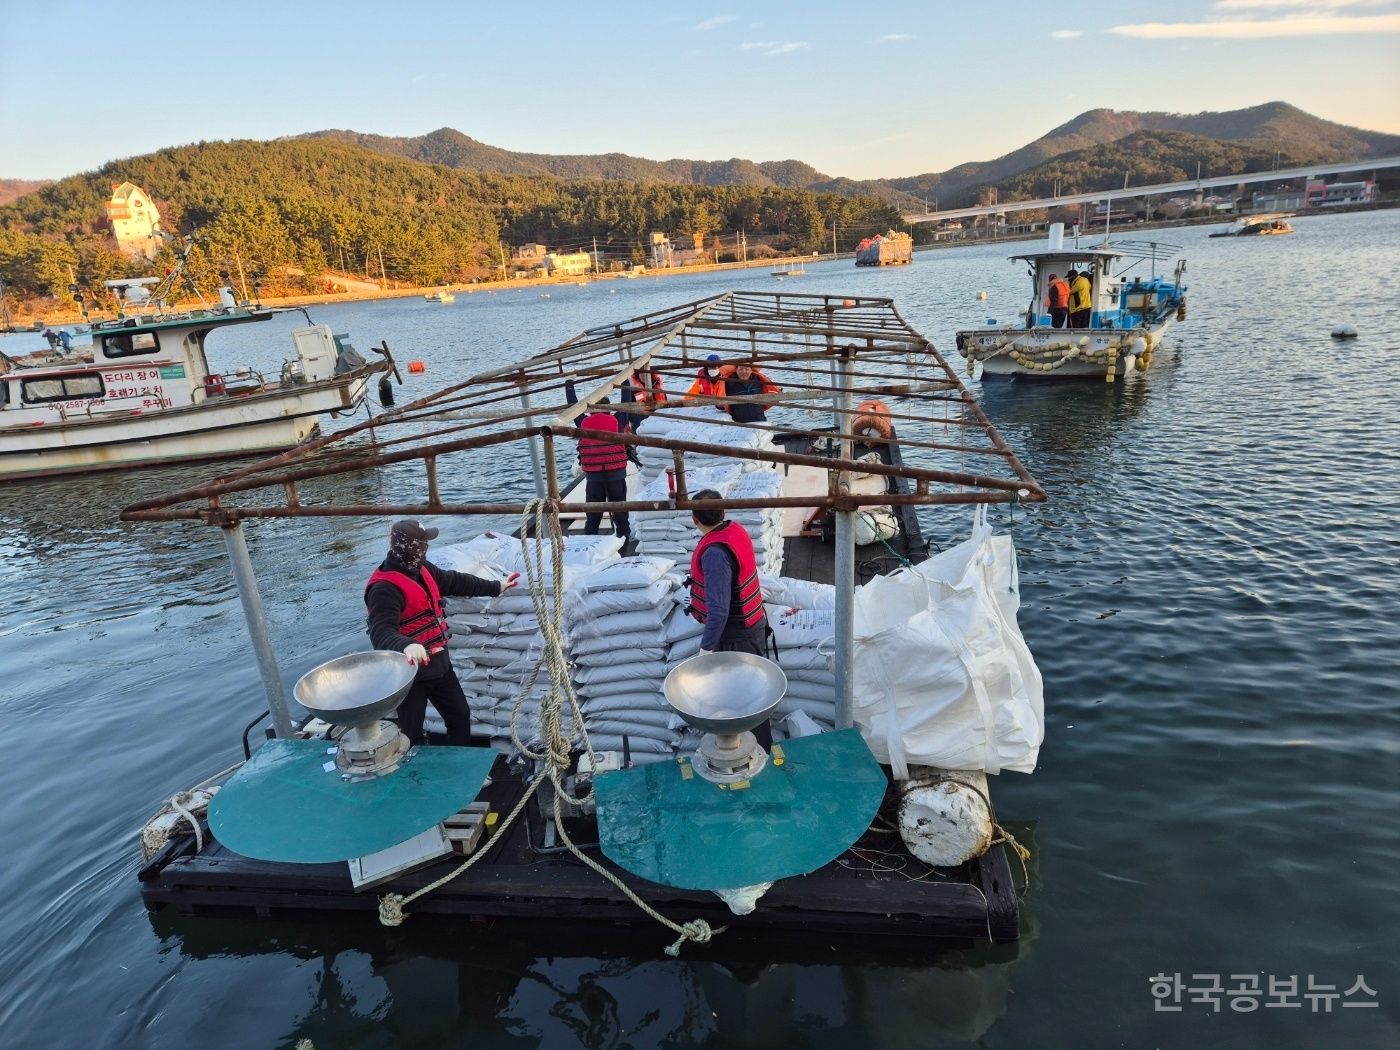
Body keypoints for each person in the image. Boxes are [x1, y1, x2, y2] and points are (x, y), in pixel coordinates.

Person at [365, 519, 519, 746]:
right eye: (423, 543)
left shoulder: (422, 569)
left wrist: (496, 586)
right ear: (411, 547)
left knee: (459, 715)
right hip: (409, 676)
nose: (426, 548)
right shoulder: (384, 589)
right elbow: (381, 631)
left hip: (439, 666)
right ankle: (417, 776)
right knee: (412, 732)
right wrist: (406, 645)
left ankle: (462, 767)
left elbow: (455, 581)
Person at [687, 489, 775, 747]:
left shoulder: (714, 553)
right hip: (753, 625)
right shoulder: (734, 532)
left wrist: (705, 651)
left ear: (694, 519)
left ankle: (757, 756)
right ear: (724, 512)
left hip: (738, 637)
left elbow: (719, 610)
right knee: (752, 696)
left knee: (745, 704)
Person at [578, 395, 631, 540]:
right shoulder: (618, 421)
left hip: (594, 479)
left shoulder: (582, 423)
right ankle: (624, 539)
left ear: (591, 410)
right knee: (621, 514)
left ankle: (589, 541)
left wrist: (569, 384)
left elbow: (573, 406)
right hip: (616, 476)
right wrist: (625, 378)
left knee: (593, 516)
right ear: (610, 409)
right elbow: (626, 402)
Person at [723, 360, 780, 424]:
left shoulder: (759, 380)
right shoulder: (728, 383)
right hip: (739, 425)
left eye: (747, 369)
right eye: (741, 369)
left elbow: (771, 393)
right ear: (736, 370)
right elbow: (721, 400)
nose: (744, 372)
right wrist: (720, 405)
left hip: (760, 421)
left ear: (751, 370)